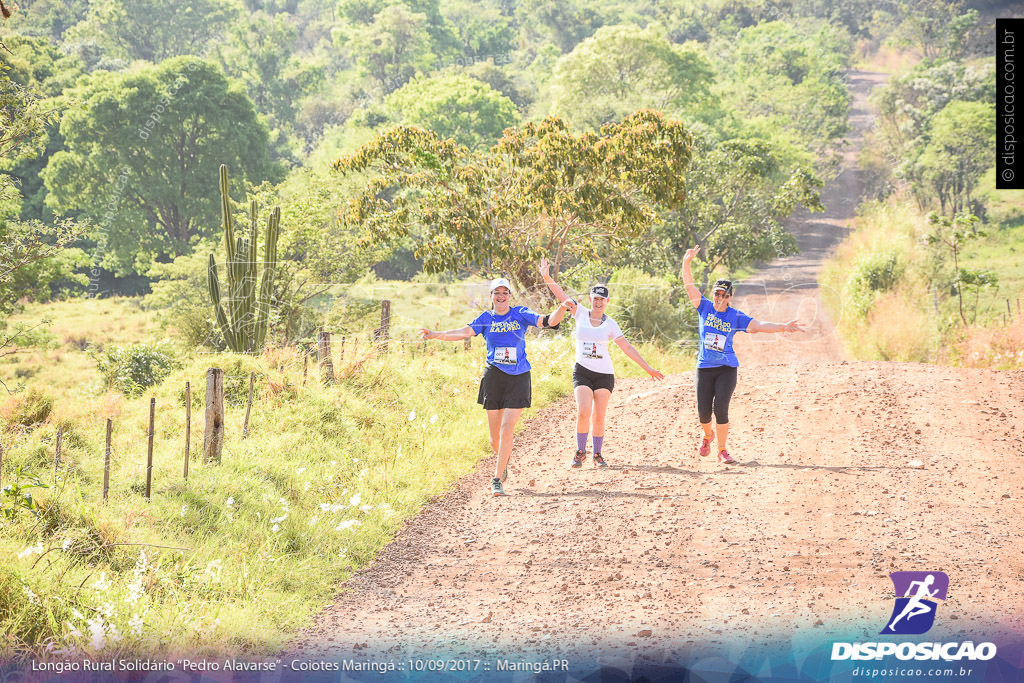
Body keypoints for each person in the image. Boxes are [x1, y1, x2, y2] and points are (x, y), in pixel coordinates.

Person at [419, 275, 571, 496]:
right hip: (494, 377)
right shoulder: (485, 318)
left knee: (507, 428)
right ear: (491, 297)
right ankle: (503, 461)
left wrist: (562, 307)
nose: (501, 296)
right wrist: (435, 335)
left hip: (519, 376)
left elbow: (548, 321)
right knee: (494, 439)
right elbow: (463, 333)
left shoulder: (520, 314)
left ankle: (497, 478)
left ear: (510, 296)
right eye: (497, 293)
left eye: (505, 293)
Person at [682, 246, 805, 464]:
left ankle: (722, 450)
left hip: (727, 368)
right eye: (717, 294)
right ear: (713, 294)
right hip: (704, 367)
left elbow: (758, 326)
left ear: (730, 297)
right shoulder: (704, 307)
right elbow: (689, 285)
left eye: (724, 295)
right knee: (703, 413)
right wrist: (687, 262)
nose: (720, 298)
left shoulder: (735, 316)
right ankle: (706, 435)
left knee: (720, 408)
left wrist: (784, 327)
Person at [539, 257, 665, 468]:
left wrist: (648, 368)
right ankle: (580, 451)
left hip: (604, 374)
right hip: (582, 371)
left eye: (602, 300)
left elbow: (627, 348)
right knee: (583, 411)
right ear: (590, 299)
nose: (598, 302)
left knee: (599, 414)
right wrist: (546, 276)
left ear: (607, 302)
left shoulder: (611, 324)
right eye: (595, 299)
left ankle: (598, 454)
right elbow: (562, 296)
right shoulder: (579, 312)